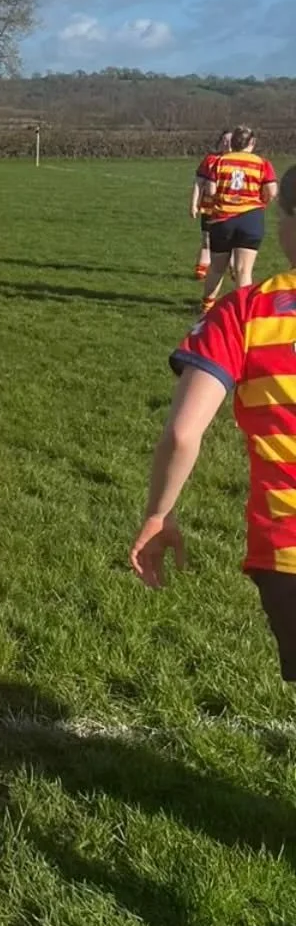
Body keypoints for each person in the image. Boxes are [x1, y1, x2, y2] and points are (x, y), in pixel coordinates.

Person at [131, 166, 296, 680]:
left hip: (286, 550)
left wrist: (159, 514)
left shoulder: (245, 313)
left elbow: (183, 432)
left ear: (288, 222)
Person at [199, 125, 277, 313]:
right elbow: (272, 191)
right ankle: (244, 311)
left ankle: (207, 306)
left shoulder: (220, 161)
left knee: (217, 268)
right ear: (252, 142)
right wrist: (261, 199)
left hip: (222, 219)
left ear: (232, 142)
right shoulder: (262, 163)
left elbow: (209, 190)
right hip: (250, 219)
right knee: (243, 271)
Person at [191, 128, 232, 279]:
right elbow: (198, 183)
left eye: (230, 141)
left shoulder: (240, 161)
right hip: (210, 208)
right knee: (207, 239)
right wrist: (193, 204)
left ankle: (234, 268)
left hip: (231, 209)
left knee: (231, 240)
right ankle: (202, 268)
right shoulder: (210, 160)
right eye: (224, 141)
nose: (227, 144)